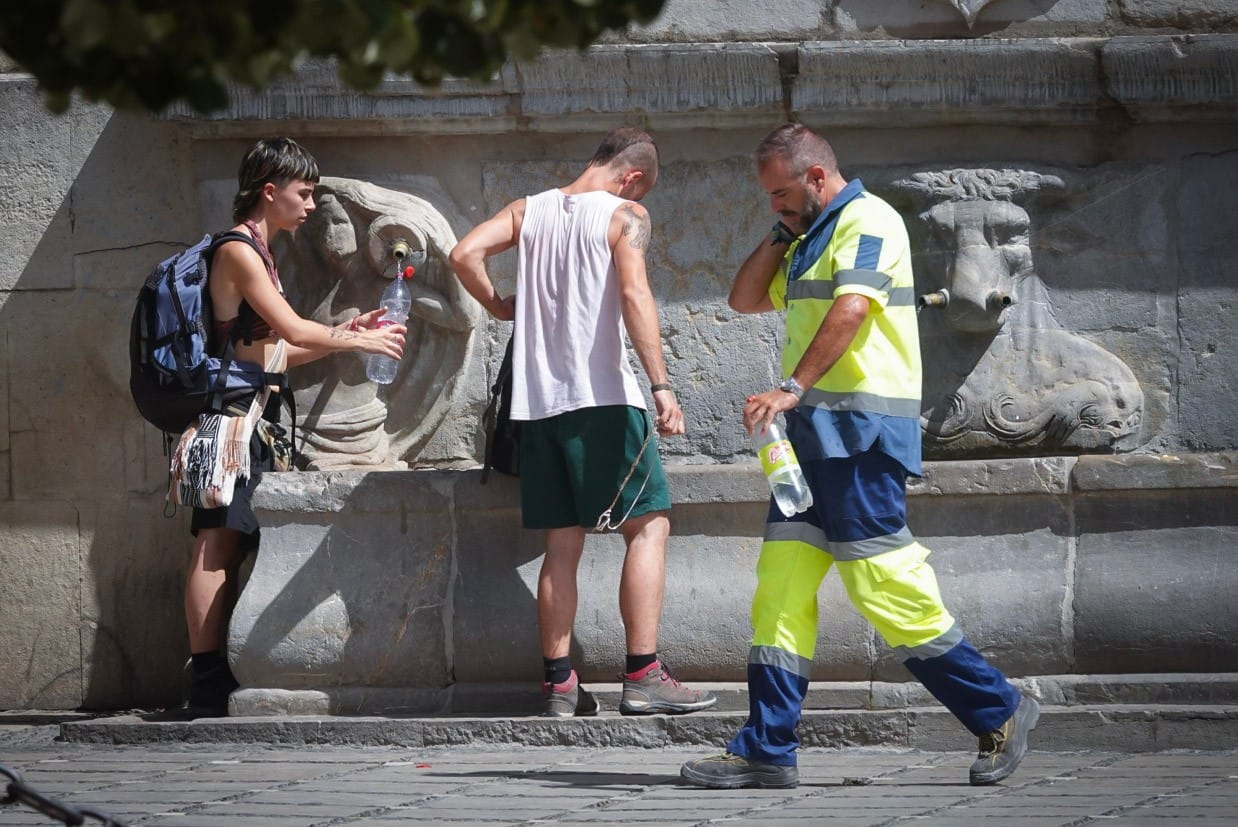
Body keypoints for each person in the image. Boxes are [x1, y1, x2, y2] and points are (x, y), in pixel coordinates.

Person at [680, 123, 1038, 788]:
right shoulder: (810, 232)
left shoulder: (870, 220)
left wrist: (791, 387)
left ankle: (1003, 708)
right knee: (780, 593)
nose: (775, 205)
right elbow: (744, 297)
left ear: (818, 177)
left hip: (862, 437)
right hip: (814, 443)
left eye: (783, 193)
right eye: (767, 197)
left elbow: (851, 308)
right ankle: (767, 745)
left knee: (886, 587)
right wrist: (781, 229)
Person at [449, 127, 717, 718]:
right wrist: (663, 385)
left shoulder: (528, 210)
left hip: (539, 405)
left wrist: (497, 304)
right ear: (633, 177)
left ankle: (560, 687)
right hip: (605, 399)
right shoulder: (626, 215)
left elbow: (462, 253)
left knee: (561, 544)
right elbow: (635, 293)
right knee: (648, 526)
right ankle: (644, 675)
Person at [183, 137, 407, 716]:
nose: (310, 206)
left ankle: (222, 669)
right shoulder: (239, 251)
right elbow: (294, 332)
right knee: (216, 544)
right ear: (269, 191)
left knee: (233, 543)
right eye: (303, 193)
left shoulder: (263, 250)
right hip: (230, 419)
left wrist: (350, 328)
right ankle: (205, 678)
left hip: (254, 411)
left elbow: (267, 353)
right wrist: (357, 339)